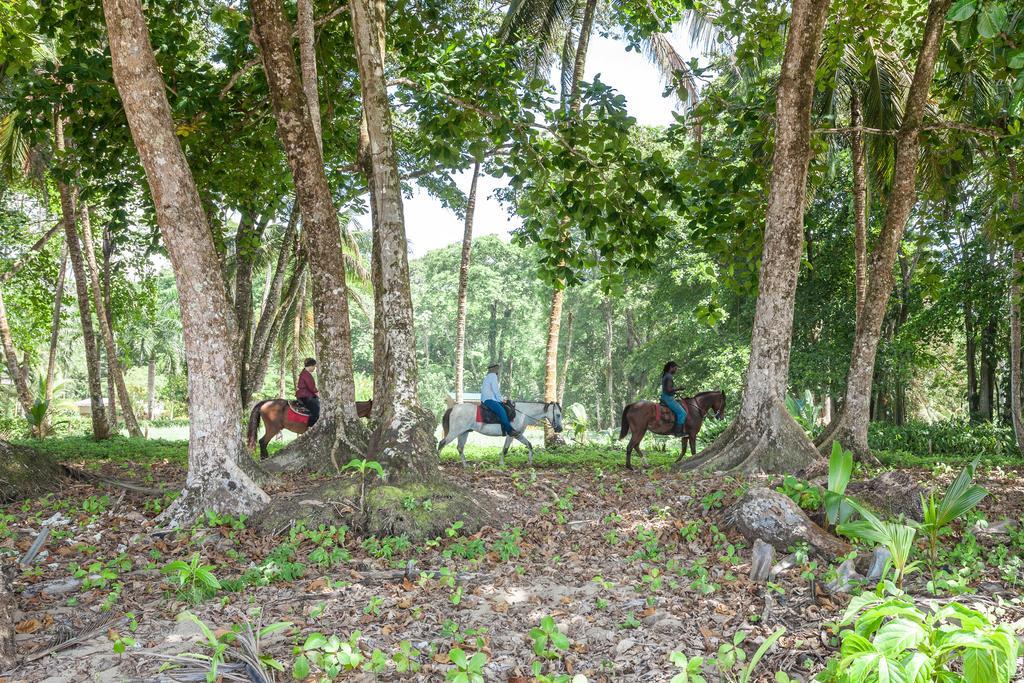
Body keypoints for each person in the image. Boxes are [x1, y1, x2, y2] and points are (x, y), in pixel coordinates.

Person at [480, 362, 518, 437]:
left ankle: (503, 429)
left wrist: (500, 399)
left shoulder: (488, 376)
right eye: (497, 368)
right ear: (495, 369)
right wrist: (501, 400)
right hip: (489, 399)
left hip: (488, 398)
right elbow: (495, 390)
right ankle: (509, 431)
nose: (498, 370)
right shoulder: (493, 376)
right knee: (502, 411)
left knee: (503, 408)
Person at [660, 361, 688, 437]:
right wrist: (679, 388)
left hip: (665, 397)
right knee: (682, 413)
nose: (676, 370)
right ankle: (678, 432)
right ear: (671, 368)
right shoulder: (669, 376)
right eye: (675, 368)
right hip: (668, 398)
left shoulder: (665, 375)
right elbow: (669, 389)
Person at [296, 358, 320, 427]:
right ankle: (311, 426)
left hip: (303, 395)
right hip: (306, 396)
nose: (314, 368)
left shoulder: (304, 373)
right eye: (314, 366)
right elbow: (312, 388)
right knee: (318, 413)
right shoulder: (306, 374)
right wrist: (319, 395)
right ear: (311, 366)